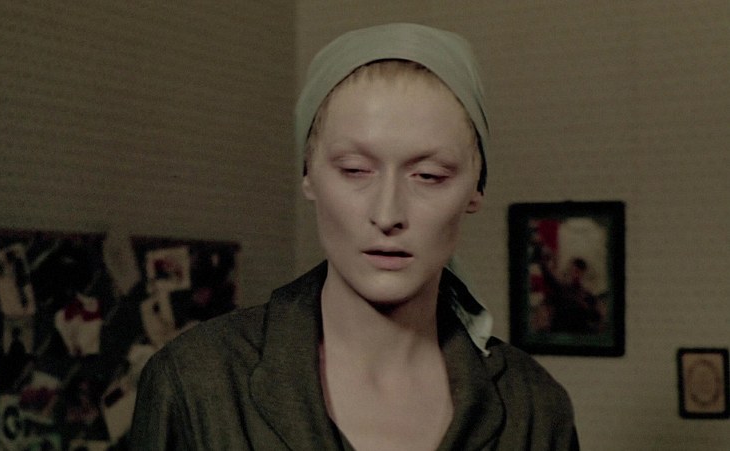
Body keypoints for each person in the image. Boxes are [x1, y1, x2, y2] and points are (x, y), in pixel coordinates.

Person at [130, 23, 578, 450]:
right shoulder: (196, 383)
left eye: (428, 176)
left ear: (475, 189)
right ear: (309, 175)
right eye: (355, 170)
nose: (387, 215)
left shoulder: (534, 409)